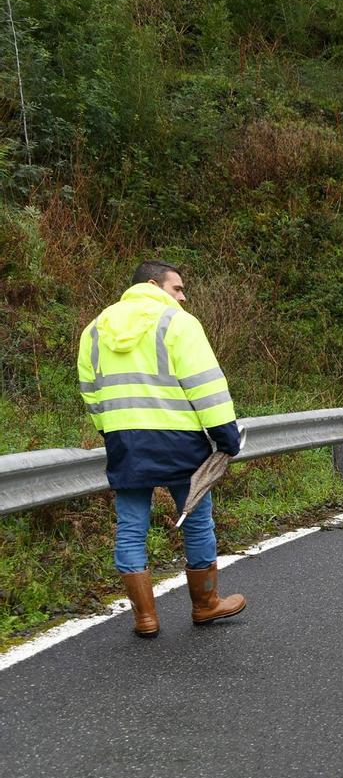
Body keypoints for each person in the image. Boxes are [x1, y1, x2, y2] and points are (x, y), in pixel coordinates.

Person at [77, 261, 247, 637]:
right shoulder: (178, 323)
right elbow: (206, 385)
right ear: (153, 284)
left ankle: (146, 618)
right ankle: (205, 605)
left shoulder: (95, 329)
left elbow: (90, 391)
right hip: (179, 441)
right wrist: (226, 436)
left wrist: (109, 431)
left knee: (131, 528)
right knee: (198, 521)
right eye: (178, 288)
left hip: (125, 441)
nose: (183, 296)